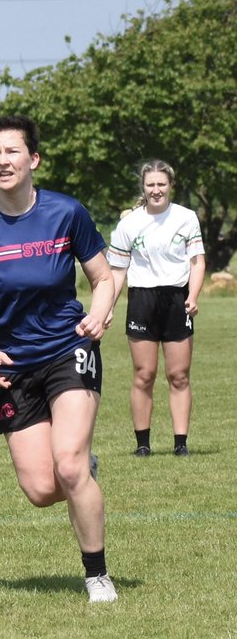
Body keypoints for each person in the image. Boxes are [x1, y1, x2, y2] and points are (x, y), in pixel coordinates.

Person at [0, 115, 117, 603]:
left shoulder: (67, 213)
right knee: (42, 490)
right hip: (12, 363)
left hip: (70, 349)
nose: (2, 161)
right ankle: (84, 465)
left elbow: (104, 278)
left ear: (33, 160)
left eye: (11, 152)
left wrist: (99, 314)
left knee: (66, 467)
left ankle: (97, 577)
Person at [105, 160, 205, 458]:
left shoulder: (186, 218)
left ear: (170, 186)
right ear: (143, 187)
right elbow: (117, 271)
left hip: (177, 299)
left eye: (161, 184)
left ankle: (180, 444)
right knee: (144, 374)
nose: (156, 190)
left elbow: (197, 261)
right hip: (142, 301)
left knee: (179, 375)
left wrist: (194, 295)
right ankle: (143, 445)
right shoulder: (129, 224)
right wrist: (106, 307)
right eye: (151, 185)